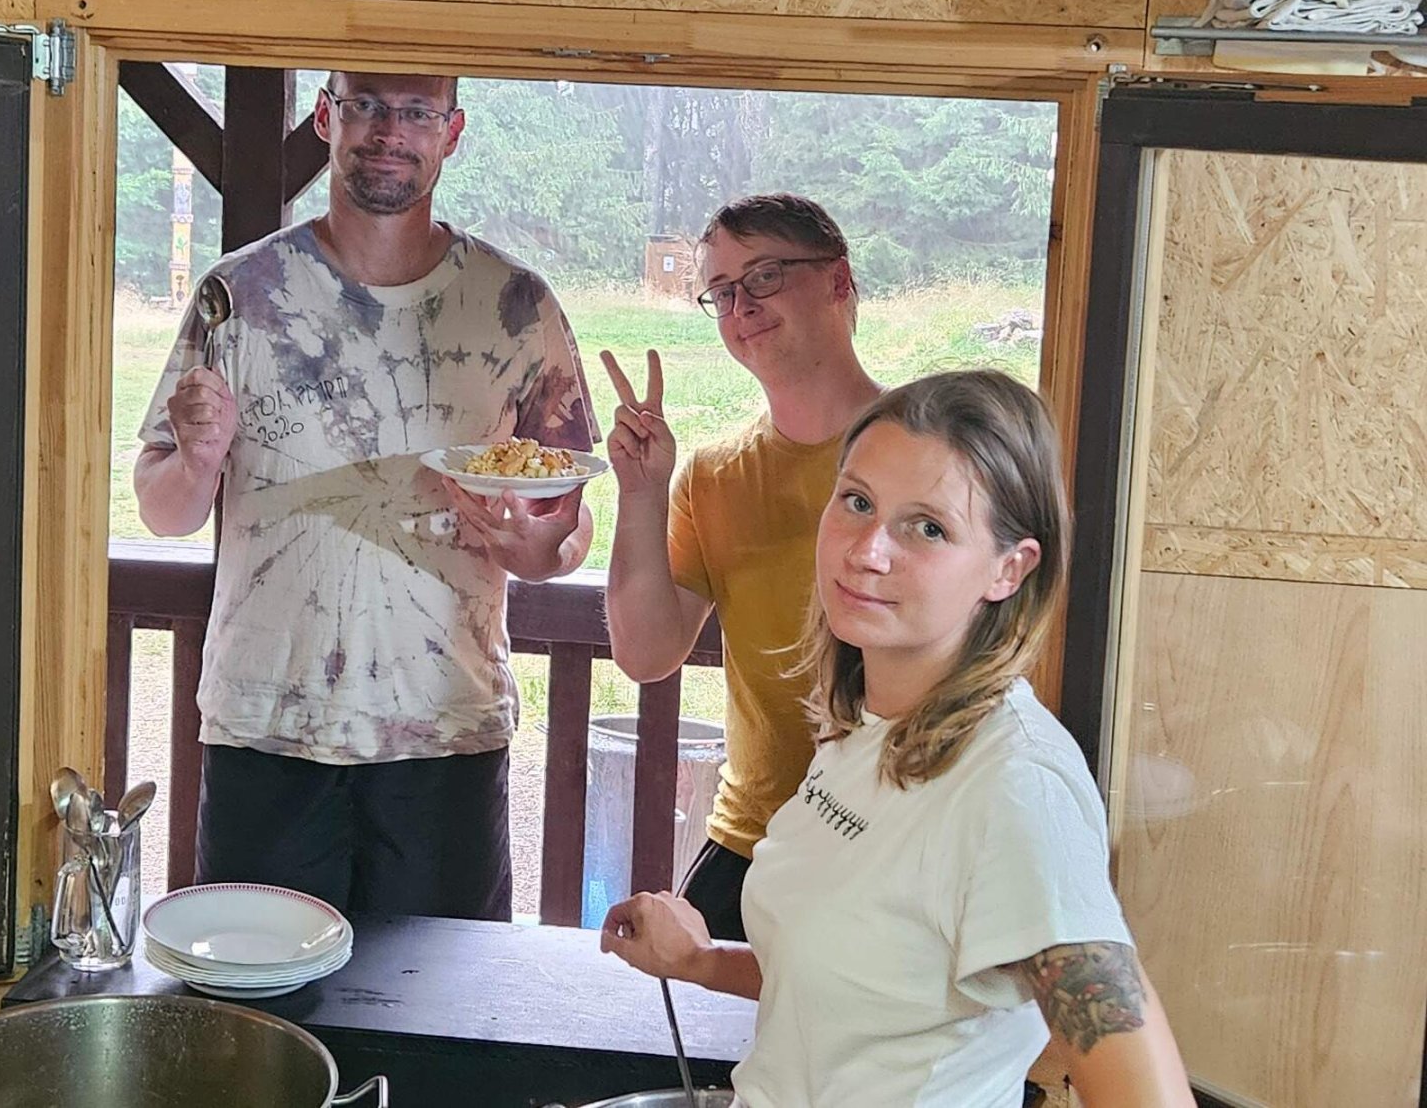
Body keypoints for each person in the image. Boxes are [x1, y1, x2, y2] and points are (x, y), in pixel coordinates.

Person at [601, 370, 1195, 1107]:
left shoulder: (1015, 789)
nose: (867, 550)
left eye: (928, 527)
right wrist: (700, 959)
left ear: (1010, 568)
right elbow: (874, 985)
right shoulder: (867, 725)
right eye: (857, 502)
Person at [134, 71, 599, 920]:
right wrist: (197, 459)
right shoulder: (240, 294)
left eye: (417, 112)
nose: (390, 132)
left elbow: (565, 524)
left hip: (445, 730)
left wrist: (534, 546)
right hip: (264, 729)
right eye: (367, 106)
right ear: (326, 116)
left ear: (452, 131)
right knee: (261, 995)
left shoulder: (516, 305)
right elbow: (164, 509)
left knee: (439, 997)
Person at [600, 192, 880, 940]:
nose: (741, 306)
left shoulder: (926, 449)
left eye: (764, 277)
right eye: (721, 292)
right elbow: (645, 653)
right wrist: (641, 492)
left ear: (838, 280)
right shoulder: (713, 476)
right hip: (755, 840)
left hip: (900, 844)